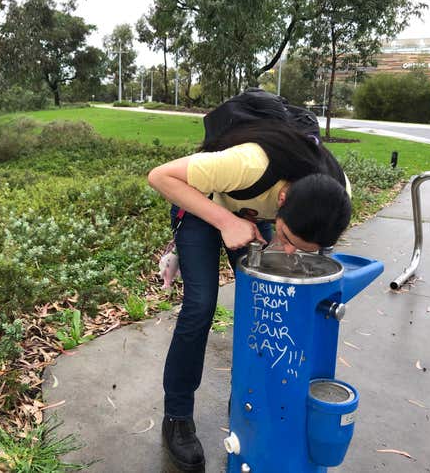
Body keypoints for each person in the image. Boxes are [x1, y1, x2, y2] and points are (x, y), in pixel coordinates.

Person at [148, 115, 352, 472]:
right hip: (201, 205)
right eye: (286, 239)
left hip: (250, 211)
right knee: (200, 304)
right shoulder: (249, 163)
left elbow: (307, 240)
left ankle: (247, 405)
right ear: (283, 199)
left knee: (266, 304)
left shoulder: (334, 195)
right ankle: (177, 417)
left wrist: (289, 242)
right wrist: (226, 222)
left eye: (301, 249)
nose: (287, 251)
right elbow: (160, 176)